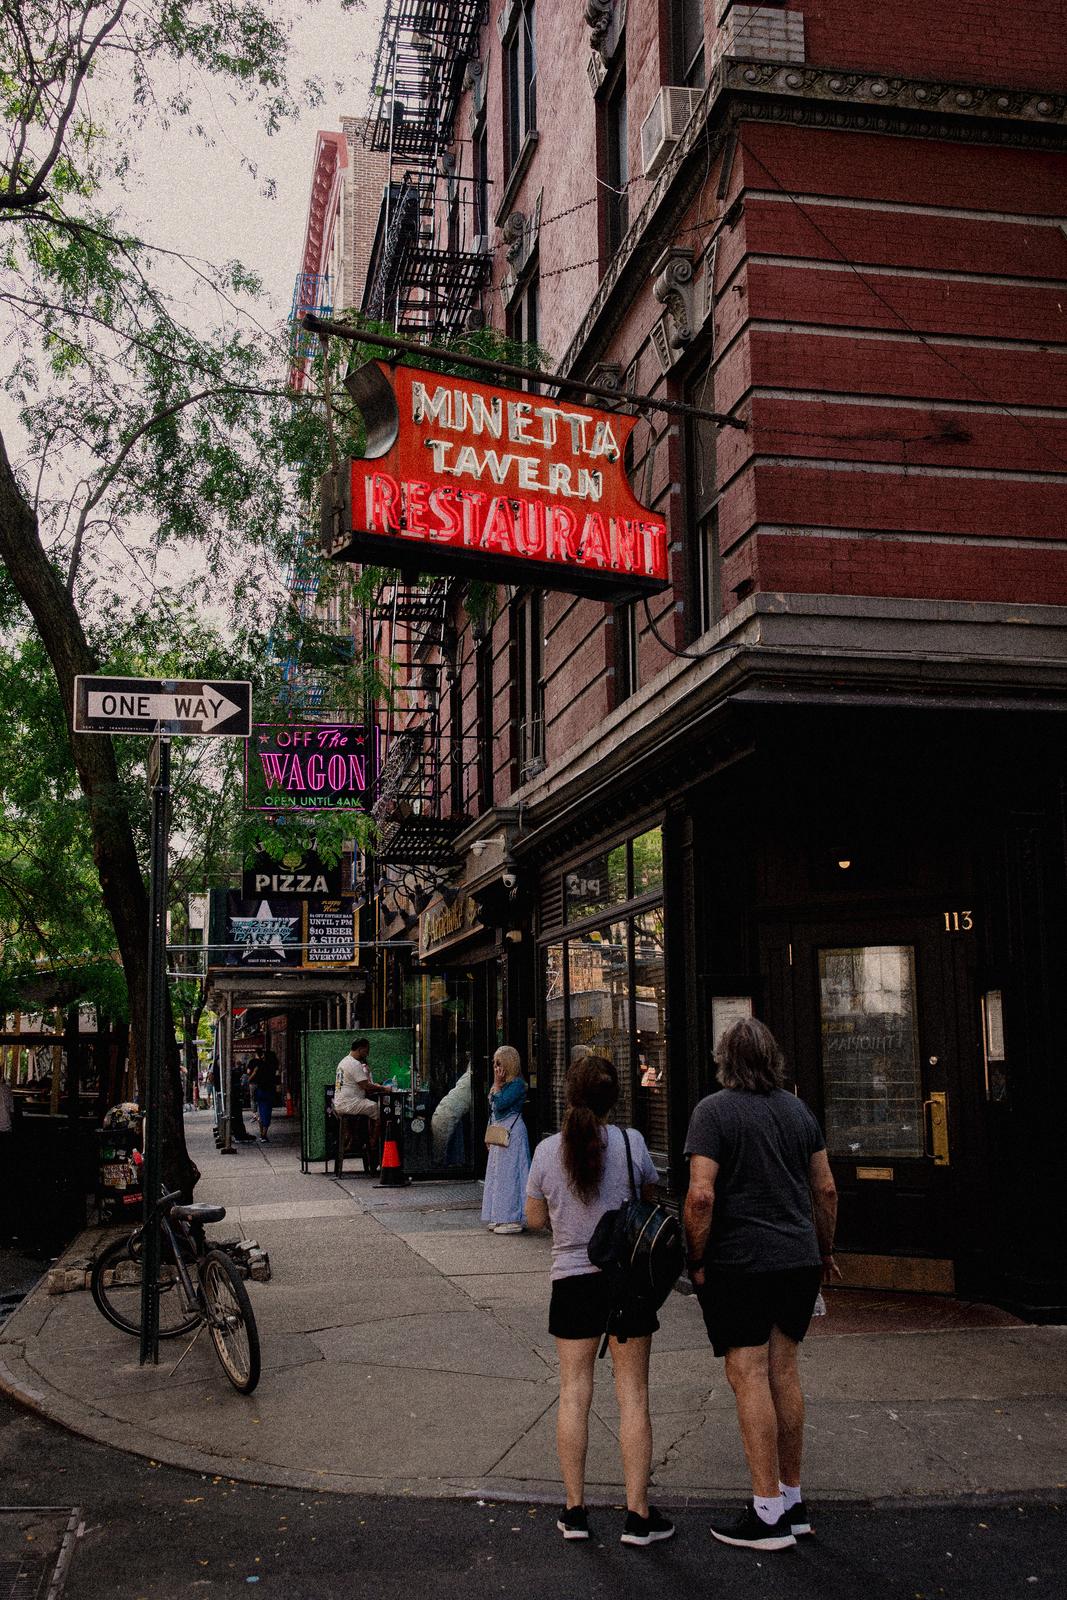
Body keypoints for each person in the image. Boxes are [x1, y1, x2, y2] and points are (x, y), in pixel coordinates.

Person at [683, 1016, 839, 1552]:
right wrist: (825, 1250)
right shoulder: (799, 1112)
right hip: (797, 1260)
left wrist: (696, 1258)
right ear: (772, 1059)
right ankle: (792, 1501)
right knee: (784, 1372)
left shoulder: (712, 1113)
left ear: (724, 1060)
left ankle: (766, 1511)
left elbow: (701, 1196)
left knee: (748, 1374)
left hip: (740, 1262)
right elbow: (826, 1189)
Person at [526, 1053, 674, 1549]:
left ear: (569, 1093)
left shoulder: (547, 1151)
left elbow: (534, 1219)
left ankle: (575, 1511)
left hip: (571, 1282)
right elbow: (649, 1201)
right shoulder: (632, 1143)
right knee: (633, 1395)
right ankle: (638, 1516)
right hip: (626, 1283)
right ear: (615, 1098)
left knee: (574, 1392)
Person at [481, 1045, 531, 1234]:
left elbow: (501, 1104)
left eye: (499, 1063)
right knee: (498, 1174)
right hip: (500, 1130)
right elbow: (493, 1110)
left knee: (511, 1174)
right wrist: (489, 1132)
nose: (496, 1067)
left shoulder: (517, 1084)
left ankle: (513, 1217)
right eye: (494, 1063)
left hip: (512, 1132)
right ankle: (499, 1215)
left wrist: (497, 1084)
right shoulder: (502, 1084)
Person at [333, 1038, 381, 1158]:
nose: (367, 1054)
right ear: (360, 1049)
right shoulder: (354, 1064)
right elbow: (366, 1086)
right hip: (350, 1104)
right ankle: (373, 1143)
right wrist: (384, 1088)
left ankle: (356, 1140)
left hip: (340, 1103)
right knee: (378, 1109)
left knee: (369, 1108)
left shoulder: (343, 1061)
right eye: (366, 1051)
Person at [248, 1048, 278, 1143]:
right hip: (269, 1091)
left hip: (260, 1090)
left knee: (261, 1112)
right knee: (267, 1113)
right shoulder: (273, 1067)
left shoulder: (260, 1065)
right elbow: (276, 1079)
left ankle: (262, 1133)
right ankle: (264, 1135)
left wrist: (248, 1080)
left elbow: (253, 1074)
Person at [228, 1056, 255, 1143]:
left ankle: (240, 1133)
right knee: (236, 1116)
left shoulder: (233, 1072)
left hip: (234, 1095)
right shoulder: (233, 1073)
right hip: (234, 1096)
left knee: (237, 1116)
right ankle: (239, 1135)